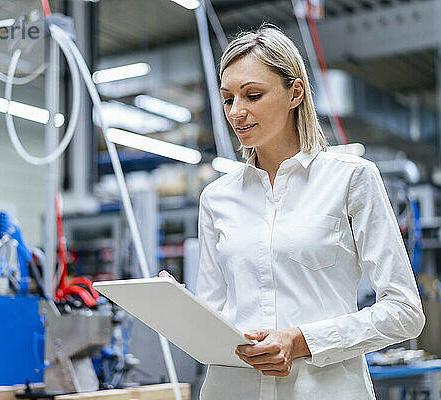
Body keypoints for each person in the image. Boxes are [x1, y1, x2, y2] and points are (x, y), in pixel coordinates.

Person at [161, 24, 424, 399]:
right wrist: (179, 308)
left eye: (253, 95)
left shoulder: (351, 179)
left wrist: (302, 341)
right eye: (228, 99)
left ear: (294, 93)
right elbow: (216, 315)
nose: (237, 112)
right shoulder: (216, 198)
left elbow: (405, 312)